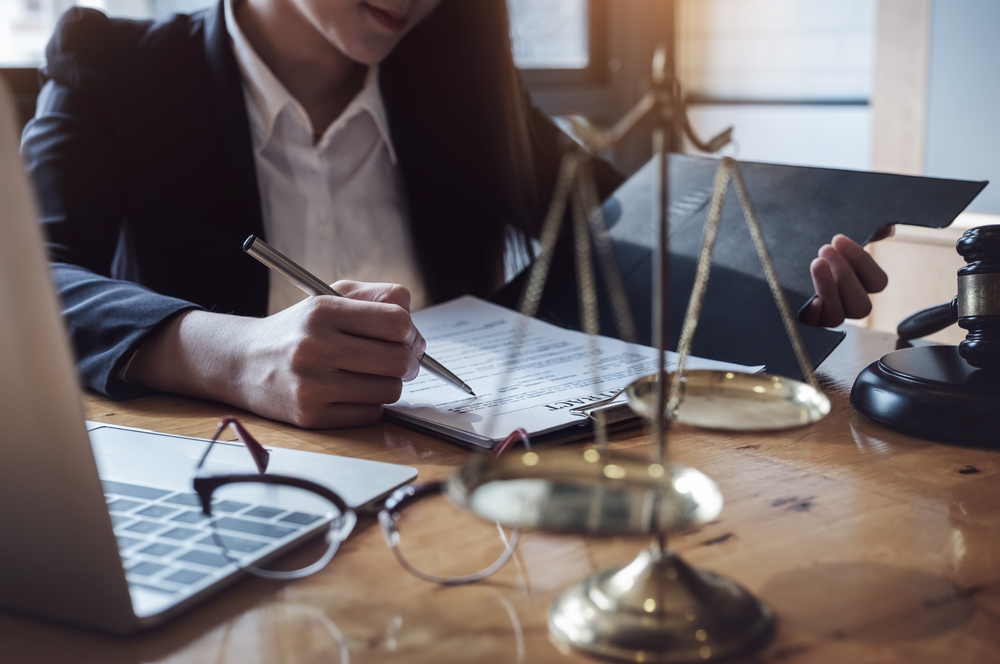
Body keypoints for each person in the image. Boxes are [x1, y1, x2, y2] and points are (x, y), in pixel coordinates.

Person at [22, 0, 889, 429]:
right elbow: (26, 289)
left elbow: (620, 240)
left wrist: (777, 286)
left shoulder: (458, 88)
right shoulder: (116, 71)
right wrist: (235, 356)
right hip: (237, 508)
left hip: (460, 516)